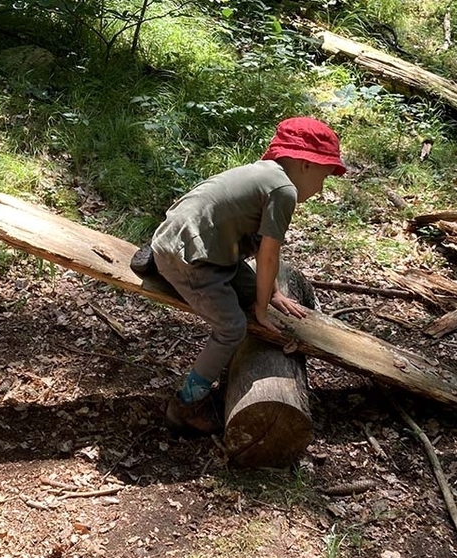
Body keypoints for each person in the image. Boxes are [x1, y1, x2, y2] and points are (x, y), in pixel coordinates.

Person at [148, 116, 346, 434]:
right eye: (324, 176)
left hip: (187, 243)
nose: (322, 188)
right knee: (232, 328)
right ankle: (184, 406)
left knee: (251, 289)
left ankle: (160, 258)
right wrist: (261, 310)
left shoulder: (265, 174)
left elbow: (251, 238)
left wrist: (271, 293)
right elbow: (268, 254)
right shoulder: (284, 191)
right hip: (189, 260)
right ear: (305, 164)